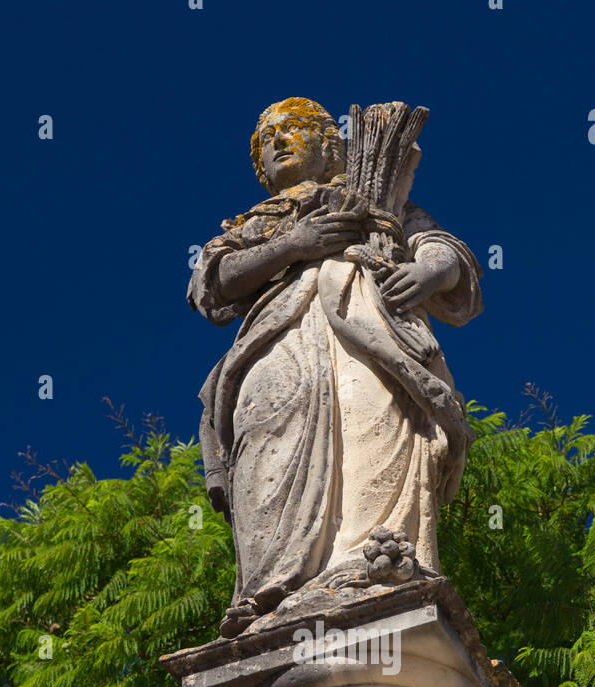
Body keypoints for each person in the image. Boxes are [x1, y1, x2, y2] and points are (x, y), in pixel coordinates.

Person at [188, 97, 483, 637]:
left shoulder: (373, 203)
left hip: (369, 328)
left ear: (331, 144)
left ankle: (373, 566)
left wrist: (426, 273)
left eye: (294, 128)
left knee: (372, 417)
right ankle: (269, 591)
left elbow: (445, 250)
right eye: (266, 139)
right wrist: (293, 246)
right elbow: (211, 284)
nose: (279, 141)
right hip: (278, 339)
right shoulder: (254, 223)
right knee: (268, 438)